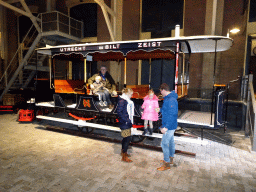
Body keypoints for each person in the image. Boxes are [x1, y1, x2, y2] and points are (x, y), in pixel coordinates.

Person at [157, 83, 178, 171]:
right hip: (171, 125)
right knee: (171, 142)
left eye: (160, 91)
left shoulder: (171, 99)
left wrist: (166, 127)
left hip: (169, 125)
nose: (160, 93)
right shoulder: (169, 98)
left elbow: (172, 114)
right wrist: (160, 110)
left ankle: (166, 163)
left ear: (163, 90)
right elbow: (167, 110)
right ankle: (170, 159)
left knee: (164, 143)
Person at [116, 88, 134, 163]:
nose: (132, 95)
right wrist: (127, 120)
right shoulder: (122, 100)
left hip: (127, 122)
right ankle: (124, 156)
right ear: (127, 93)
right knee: (127, 139)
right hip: (125, 123)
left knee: (126, 138)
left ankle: (123, 152)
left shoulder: (125, 100)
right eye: (131, 94)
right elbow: (119, 112)